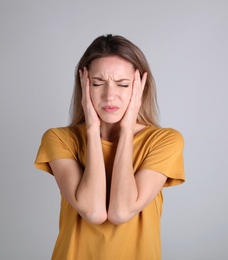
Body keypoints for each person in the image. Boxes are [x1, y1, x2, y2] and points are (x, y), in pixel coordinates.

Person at [35, 34, 185, 260]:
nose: (109, 96)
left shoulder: (164, 141)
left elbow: (121, 211)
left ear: (141, 87)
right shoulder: (59, 139)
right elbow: (93, 212)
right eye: (97, 83)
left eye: (123, 84)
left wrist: (126, 130)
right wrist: (93, 129)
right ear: (84, 85)